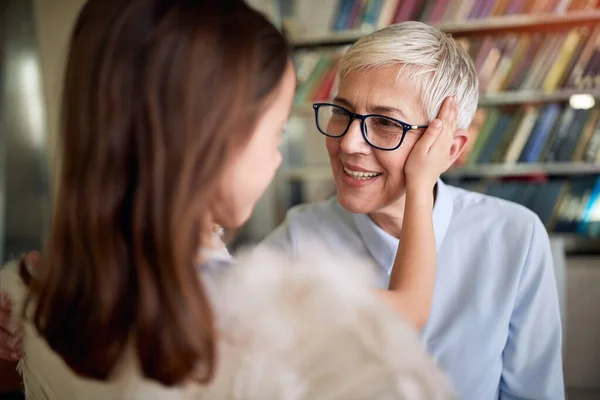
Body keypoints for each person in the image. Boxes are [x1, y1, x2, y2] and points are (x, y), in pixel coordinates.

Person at [0, 1, 458, 398]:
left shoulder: (36, 301)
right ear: (214, 143)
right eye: (276, 133)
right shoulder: (248, 314)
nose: (279, 158)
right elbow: (406, 313)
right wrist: (421, 185)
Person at [262, 22, 565, 400]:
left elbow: (534, 393)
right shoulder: (295, 242)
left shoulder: (515, 236)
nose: (350, 144)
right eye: (341, 112)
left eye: (386, 123)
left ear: (448, 150)